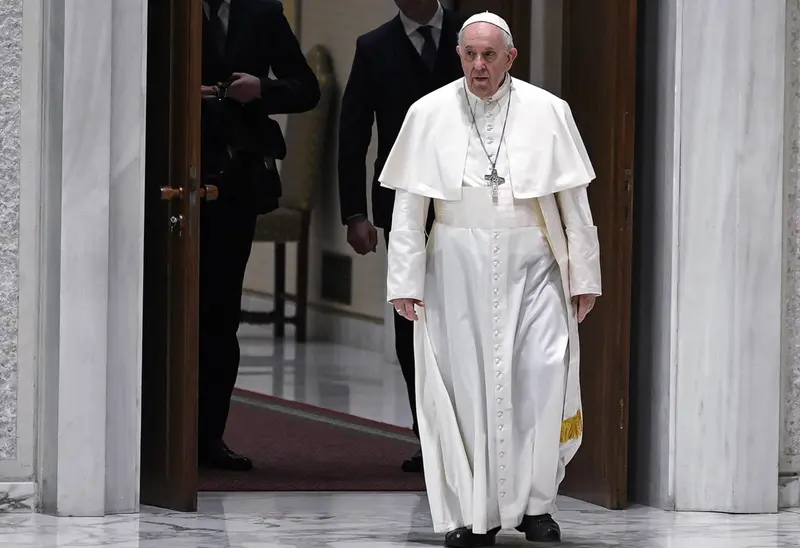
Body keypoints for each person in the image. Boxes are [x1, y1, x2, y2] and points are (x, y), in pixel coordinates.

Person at [381, 11, 601, 547]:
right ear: (460, 56)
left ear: (511, 58)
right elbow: (409, 210)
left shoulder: (549, 111)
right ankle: (469, 514)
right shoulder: (428, 113)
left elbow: (575, 204)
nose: (478, 66)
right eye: (469, 55)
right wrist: (404, 281)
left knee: (540, 382)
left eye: (489, 55)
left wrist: (584, 276)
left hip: (536, 266)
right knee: (464, 390)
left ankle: (537, 508)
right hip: (455, 268)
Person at [337, 0, 463, 474]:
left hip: (470, 201)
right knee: (412, 316)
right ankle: (427, 434)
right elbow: (353, 133)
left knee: (464, 316)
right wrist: (355, 213)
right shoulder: (374, 47)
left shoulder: (471, 36)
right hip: (403, 205)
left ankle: (473, 433)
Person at [198, 0, 320, 471]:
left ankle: (209, 435)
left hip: (236, 184)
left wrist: (261, 89)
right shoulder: (167, 11)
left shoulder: (262, 12)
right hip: (171, 177)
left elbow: (306, 89)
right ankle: (157, 434)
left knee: (220, 312)